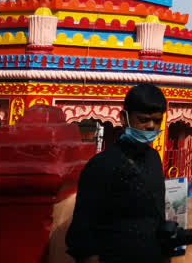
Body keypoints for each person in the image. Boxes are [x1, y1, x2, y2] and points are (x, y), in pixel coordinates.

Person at [66, 84, 171, 263]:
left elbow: (157, 214)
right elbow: (83, 231)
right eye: (143, 120)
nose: (151, 126)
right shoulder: (102, 165)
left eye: (157, 121)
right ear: (124, 118)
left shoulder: (154, 159)